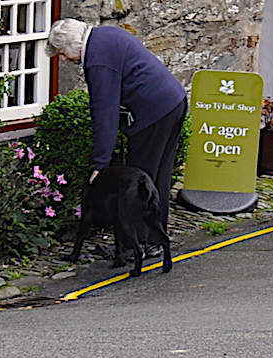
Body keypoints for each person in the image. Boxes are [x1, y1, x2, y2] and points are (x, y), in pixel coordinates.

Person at [47, 19, 188, 233]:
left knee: (138, 183)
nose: (65, 59)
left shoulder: (97, 60)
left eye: (63, 53)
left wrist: (101, 163)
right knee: (158, 178)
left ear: (75, 44)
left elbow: (104, 111)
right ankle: (155, 238)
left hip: (152, 112)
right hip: (173, 101)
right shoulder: (106, 34)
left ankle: (135, 245)